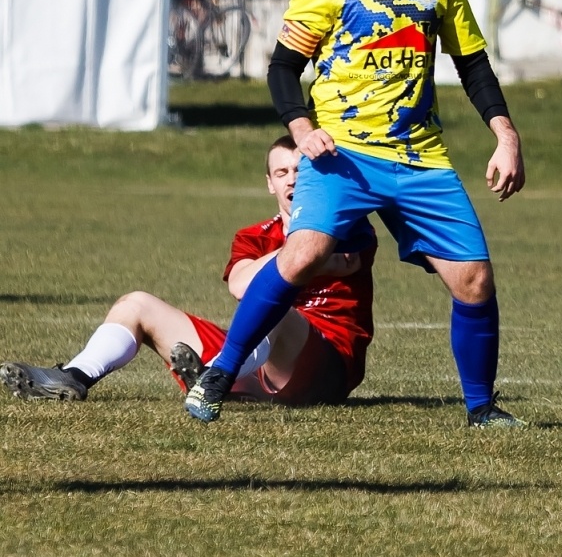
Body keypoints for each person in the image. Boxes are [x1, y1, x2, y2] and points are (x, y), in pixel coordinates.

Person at [183, 0, 528, 429]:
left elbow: (473, 66)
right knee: (303, 253)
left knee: (474, 280)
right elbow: (283, 69)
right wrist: (302, 129)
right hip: (343, 156)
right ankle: (220, 372)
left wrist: (505, 134)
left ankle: (481, 409)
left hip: (420, 158)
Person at [2, 136, 376, 405]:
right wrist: (290, 250)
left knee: (276, 307)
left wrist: (298, 245)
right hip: (255, 367)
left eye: (300, 170)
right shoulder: (252, 236)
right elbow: (241, 286)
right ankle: (75, 376)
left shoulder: (345, 226)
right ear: (269, 183)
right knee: (136, 304)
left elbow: (343, 260)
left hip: (328, 368)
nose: (292, 179)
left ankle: (213, 377)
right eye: (281, 172)